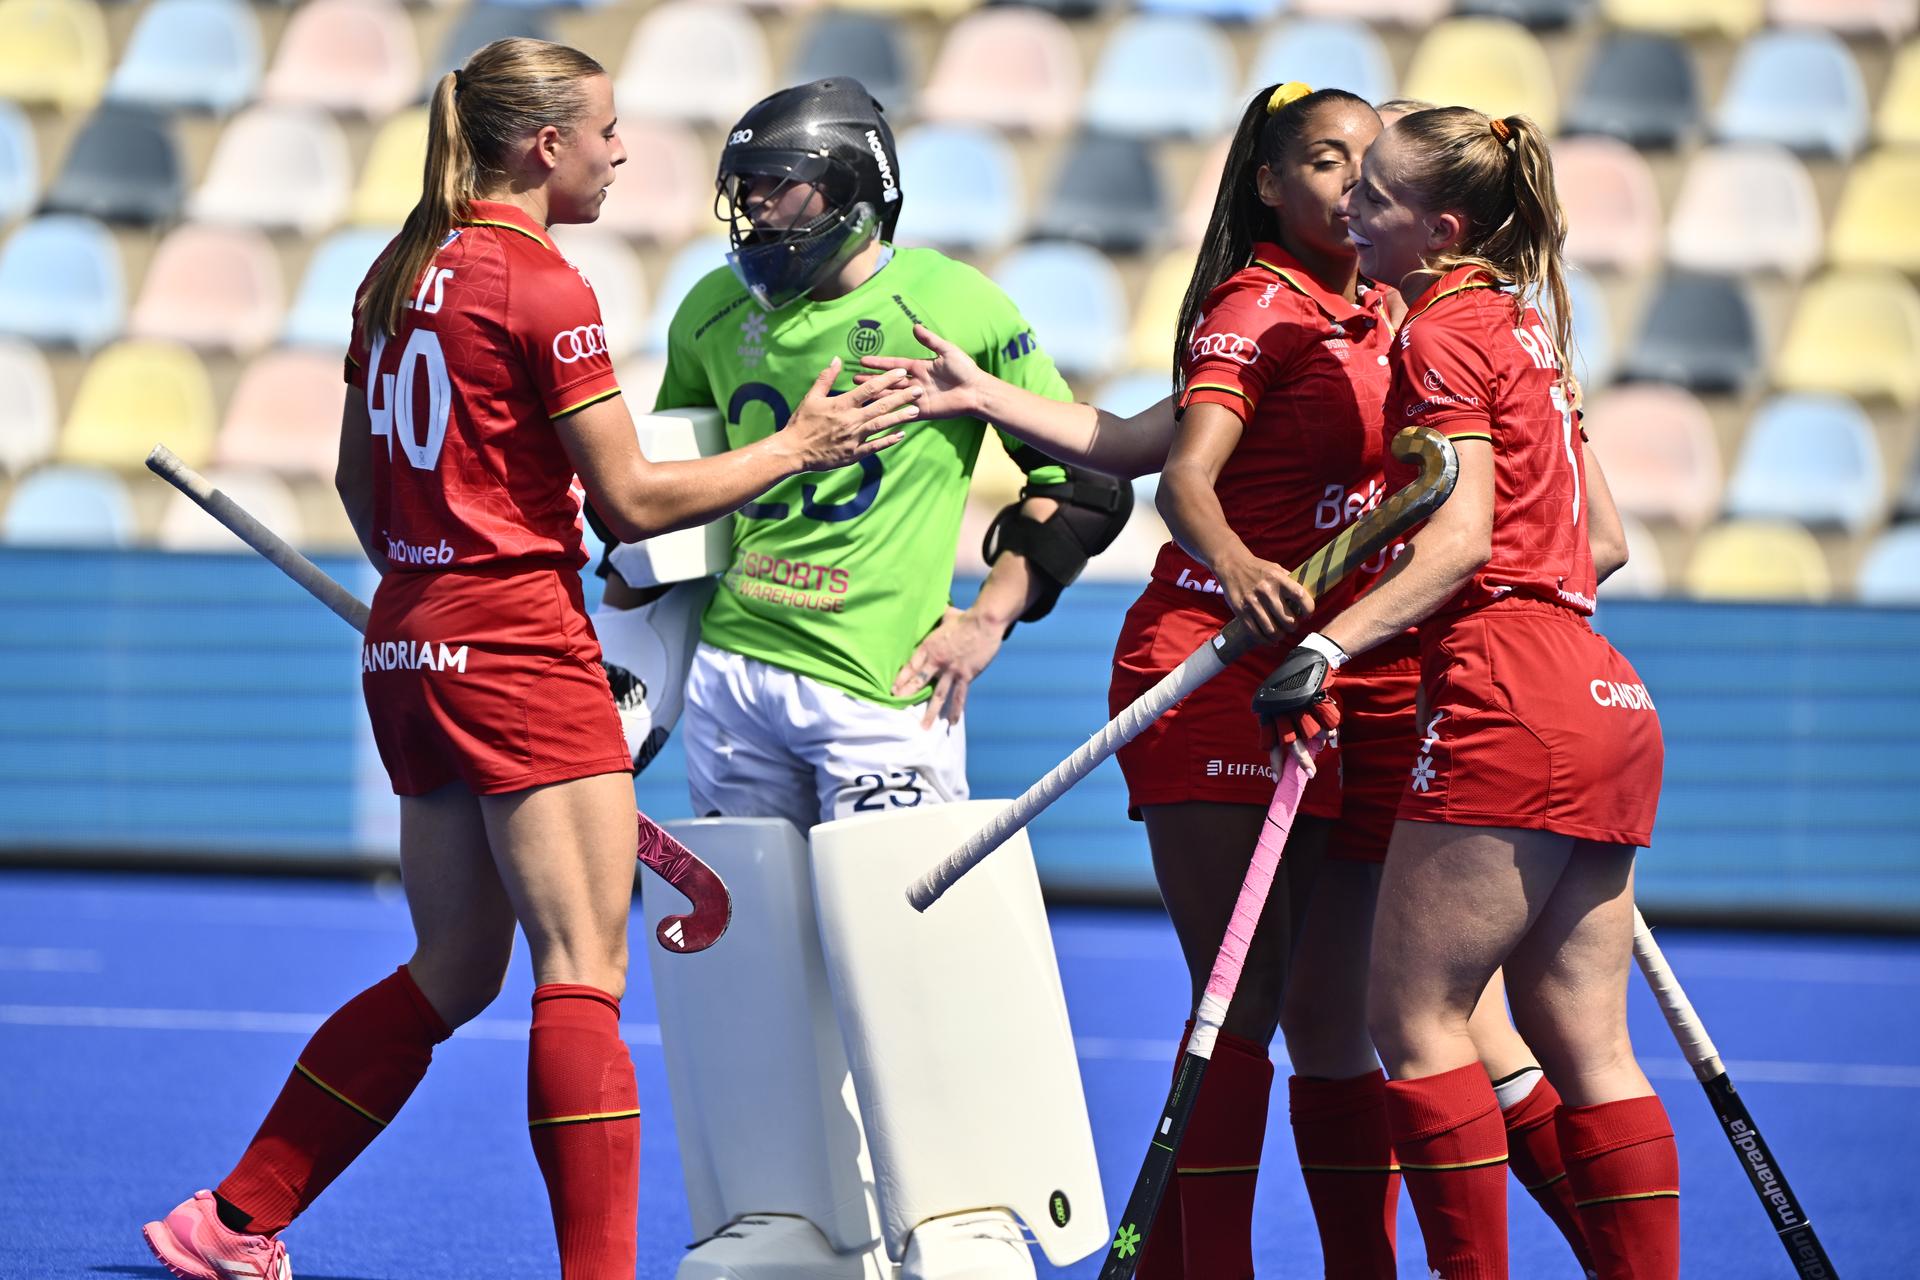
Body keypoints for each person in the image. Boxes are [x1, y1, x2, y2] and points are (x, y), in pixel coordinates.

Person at [139, 40, 920, 1280]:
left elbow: (358, 476)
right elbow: (630, 502)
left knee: (452, 968)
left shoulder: (397, 269)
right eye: (606, 131)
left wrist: (435, 568)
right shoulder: (542, 285)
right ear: (542, 146)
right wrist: (801, 444)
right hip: (516, 641)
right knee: (580, 973)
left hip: (409, 637)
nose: (620, 153)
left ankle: (233, 1215)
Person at [588, 77, 1131, 1277]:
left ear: (849, 188)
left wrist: (989, 614)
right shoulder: (708, 312)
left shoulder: (952, 303)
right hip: (737, 676)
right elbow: (681, 497)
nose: (757, 218)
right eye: (746, 195)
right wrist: (638, 577)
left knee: (907, 952)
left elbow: (1084, 477)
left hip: (881, 694)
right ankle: (796, 1215)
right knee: (752, 955)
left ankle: (954, 1212)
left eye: (777, 190)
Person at [1272, 106, 1675, 1280]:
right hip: (1605, 688)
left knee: (1415, 1021)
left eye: (1378, 197)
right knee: (1589, 1043)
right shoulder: (1531, 325)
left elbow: (1457, 542)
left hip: (1507, 687)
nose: (1352, 207)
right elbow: (1602, 539)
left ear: (1441, 231)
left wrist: (1328, 645)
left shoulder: (1439, 330)